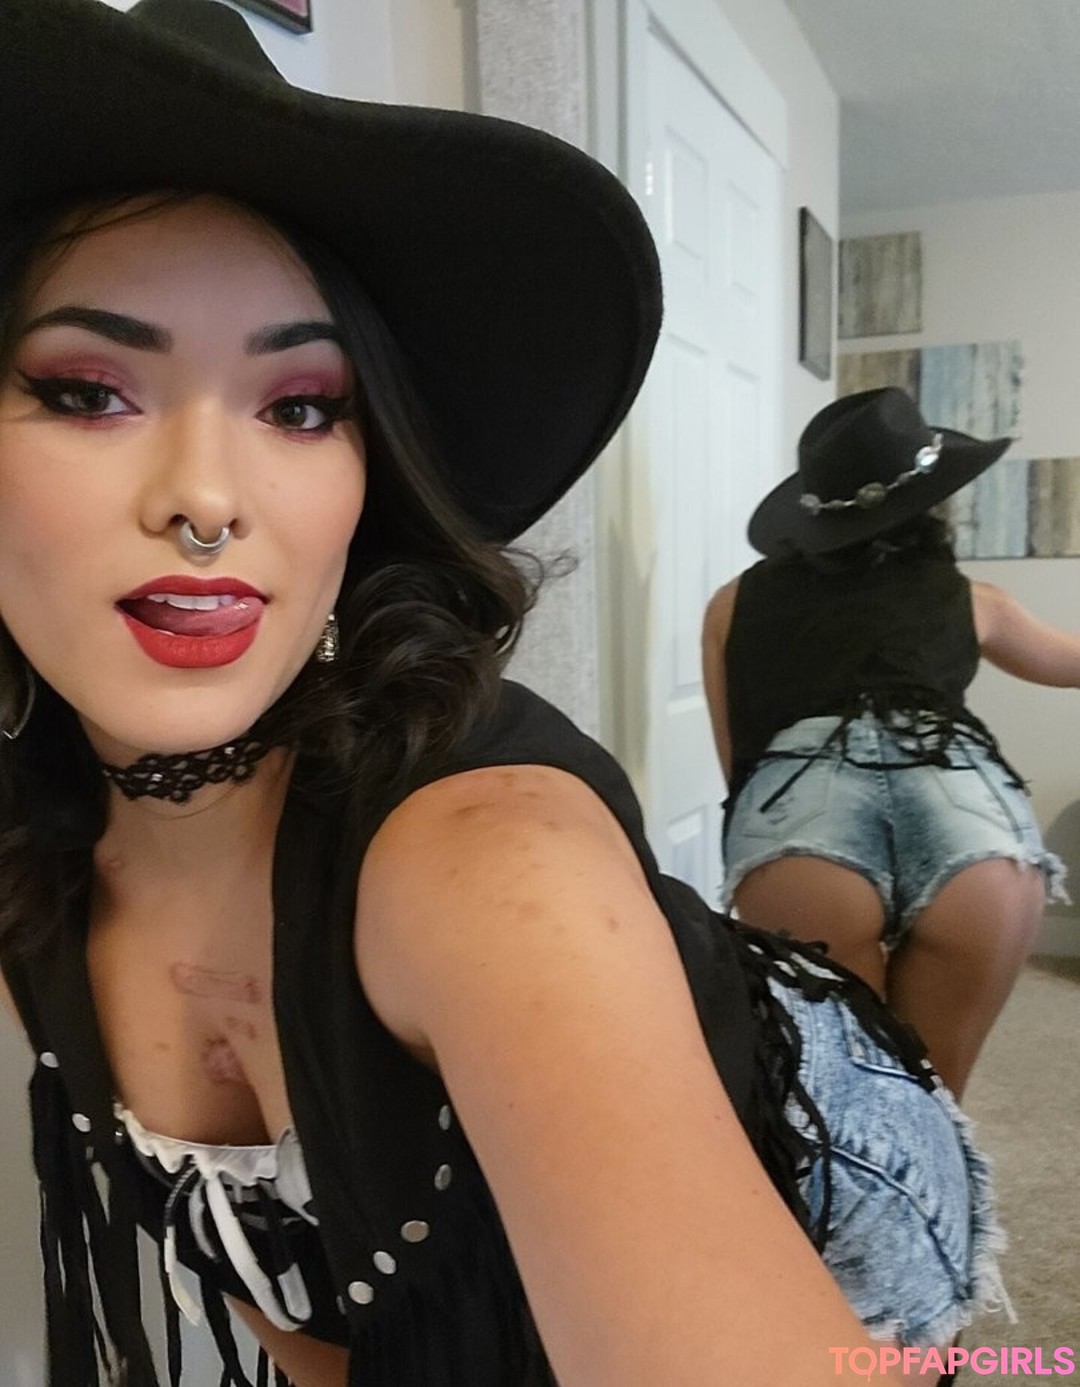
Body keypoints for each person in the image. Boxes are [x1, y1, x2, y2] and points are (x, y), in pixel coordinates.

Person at [0, 5, 1008, 1385]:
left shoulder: (488, 860)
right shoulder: (39, 825)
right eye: (87, 391)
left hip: (845, 1182)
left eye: (301, 405)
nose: (207, 500)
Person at [703, 386, 1079, 1101]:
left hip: (803, 814)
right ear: (931, 503)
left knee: (849, 1103)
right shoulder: (975, 599)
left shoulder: (732, 603)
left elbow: (739, 761)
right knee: (934, 1100)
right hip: (969, 819)